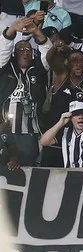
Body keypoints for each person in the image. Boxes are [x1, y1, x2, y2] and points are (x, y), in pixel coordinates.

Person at [0, 16, 51, 166]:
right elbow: (3, 49)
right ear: (15, 53)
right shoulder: (5, 68)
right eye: (21, 49)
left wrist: (36, 30)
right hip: (5, 132)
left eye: (28, 49)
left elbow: (46, 51)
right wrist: (12, 29)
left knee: (28, 171)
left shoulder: (39, 70)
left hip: (30, 134)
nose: (25, 52)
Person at [39, 101, 83, 168]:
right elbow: (43, 142)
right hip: (72, 175)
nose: (80, 117)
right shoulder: (66, 132)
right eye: (76, 114)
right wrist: (60, 123)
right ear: (70, 118)